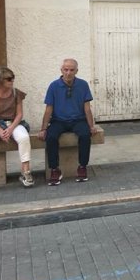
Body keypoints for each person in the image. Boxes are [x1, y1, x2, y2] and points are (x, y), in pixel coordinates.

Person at [37, 58, 99, 186]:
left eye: (71, 70)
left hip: (78, 120)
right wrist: (43, 129)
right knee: (51, 136)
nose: (68, 72)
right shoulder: (54, 86)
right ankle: (54, 169)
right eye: (66, 69)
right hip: (58, 121)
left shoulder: (83, 85)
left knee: (85, 135)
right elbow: (49, 109)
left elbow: (87, 108)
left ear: (77, 71)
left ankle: (82, 166)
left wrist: (91, 126)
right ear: (61, 70)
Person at [0, 67, 33, 193]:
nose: (12, 81)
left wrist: (10, 129)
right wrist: (0, 131)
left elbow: (19, 114)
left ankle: (26, 171)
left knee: (24, 137)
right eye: (9, 79)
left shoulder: (16, 93)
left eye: (13, 78)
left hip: (12, 122)